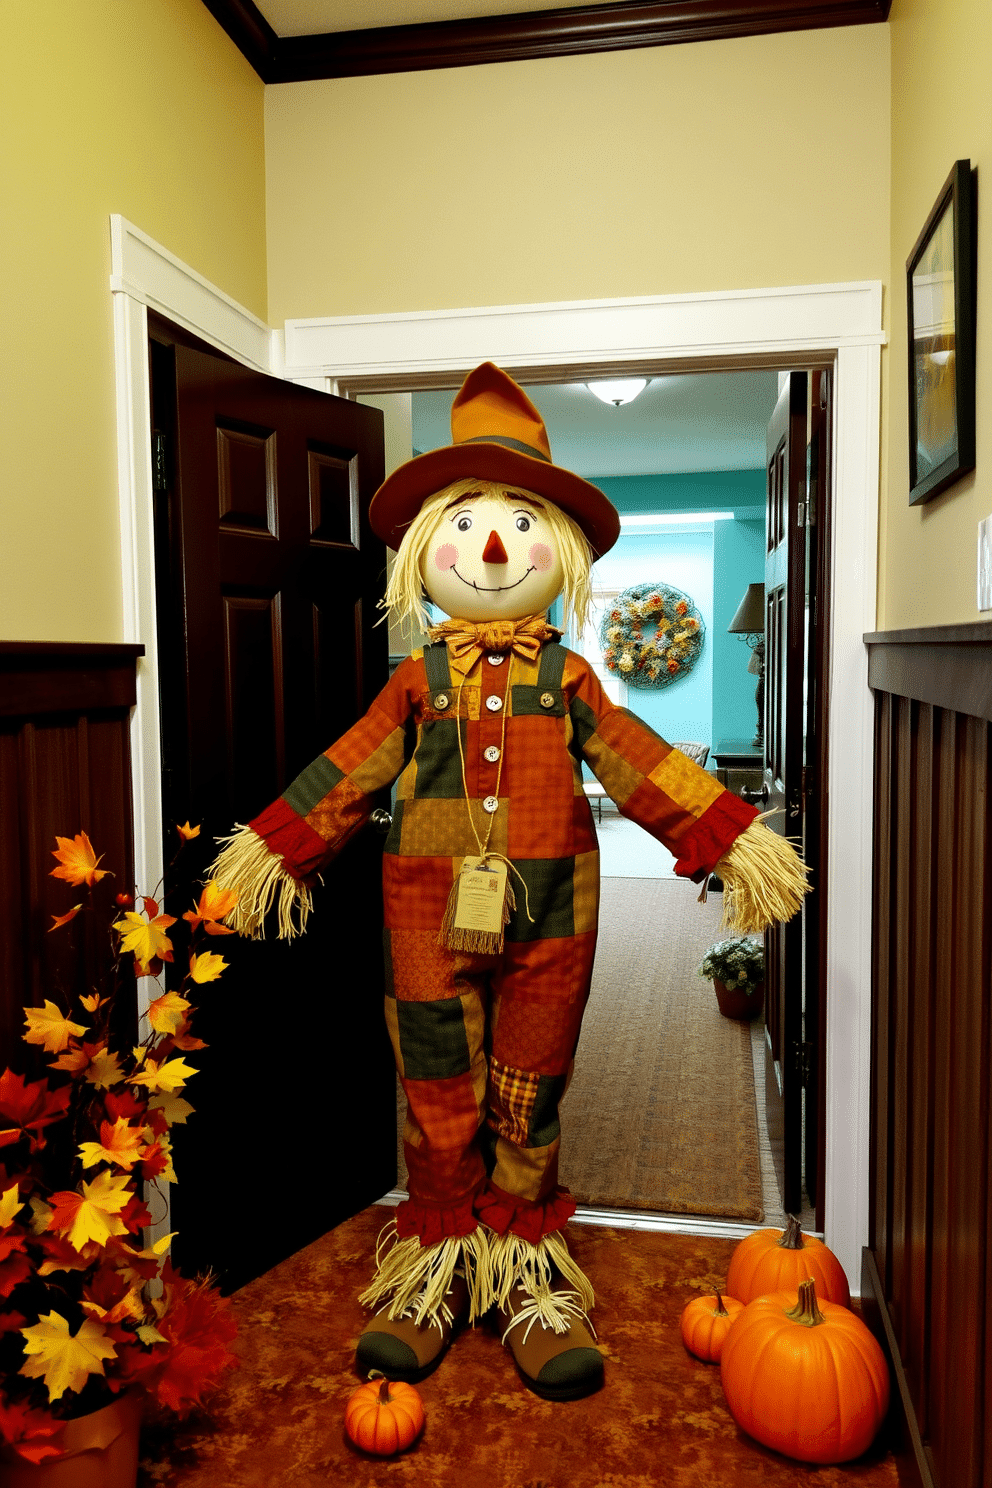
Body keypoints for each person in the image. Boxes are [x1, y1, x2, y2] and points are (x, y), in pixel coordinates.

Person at [209, 362, 806, 1401]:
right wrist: (275, 847)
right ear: (422, 552)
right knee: (436, 1094)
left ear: (560, 552)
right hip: (421, 919)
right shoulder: (414, 682)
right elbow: (351, 767)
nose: (491, 547)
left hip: (555, 919)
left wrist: (730, 837)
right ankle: (436, 1269)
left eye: (520, 522)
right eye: (469, 522)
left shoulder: (566, 677)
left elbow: (635, 760)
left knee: (528, 1096)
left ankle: (526, 1277)